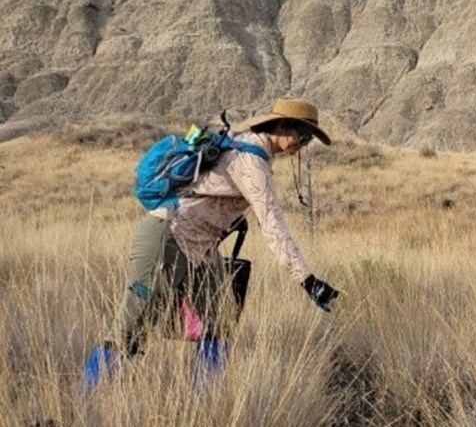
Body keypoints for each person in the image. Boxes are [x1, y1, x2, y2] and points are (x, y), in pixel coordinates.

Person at [83, 98, 341, 389]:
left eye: (309, 140)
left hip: (200, 250)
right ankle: (88, 403)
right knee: (129, 328)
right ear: (281, 126)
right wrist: (307, 280)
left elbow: (209, 189)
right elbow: (273, 226)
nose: (303, 144)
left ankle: (207, 403)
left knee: (220, 324)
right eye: (303, 135)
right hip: (166, 237)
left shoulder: (242, 145)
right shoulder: (252, 163)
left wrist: (228, 217)